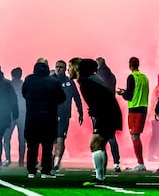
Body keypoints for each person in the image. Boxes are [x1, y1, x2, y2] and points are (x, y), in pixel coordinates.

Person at [70, 57, 123, 186]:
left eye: (69, 67)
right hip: (109, 114)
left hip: (106, 115)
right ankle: (101, 177)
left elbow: (100, 100)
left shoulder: (86, 81)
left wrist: (95, 115)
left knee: (95, 144)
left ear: (77, 68)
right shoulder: (90, 79)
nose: (68, 70)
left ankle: (100, 179)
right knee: (99, 145)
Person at [22, 59, 66, 178]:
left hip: (32, 118)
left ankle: (31, 171)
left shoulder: (29, 79)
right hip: (49, 118)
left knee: (31, 146)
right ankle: (46, 171)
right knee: (47, 146)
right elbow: (62, 98)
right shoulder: (53, 81)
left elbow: (24, 93)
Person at [117, 56, 149, 171]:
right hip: (144, 108)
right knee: (136, 135)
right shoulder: (145, 77)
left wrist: (121, 93)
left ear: (130, 65)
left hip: (134, 109)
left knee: (135, 136)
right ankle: (140, 163)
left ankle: (140, 163)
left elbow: (129, 96)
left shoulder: (132, 77)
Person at [52, 59, 83, 171]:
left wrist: (80, 112)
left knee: (60, 138)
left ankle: (57, 163)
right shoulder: (50, 80)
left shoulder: (69, 82)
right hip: (50, 114)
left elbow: (77, 97)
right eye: (57, 66)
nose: (58, 68)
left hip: (64, 114)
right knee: (51, 138)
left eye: (61, 67)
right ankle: (51, 158)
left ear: (65, 69)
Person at [95, 56, 122, 172]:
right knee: (111, 138)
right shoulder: (112, 76)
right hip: (112, 107)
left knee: (98, 138)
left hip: (101, 108)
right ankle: (116, 162)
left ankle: (100, 166)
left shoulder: (98, 76)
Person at [9, 67, 26, 167]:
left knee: (7, 137)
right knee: (22, 139)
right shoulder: (24, 85)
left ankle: (7, 159)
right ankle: (21, 161)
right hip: (22, 114)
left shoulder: (9, 85)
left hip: (11, 113)